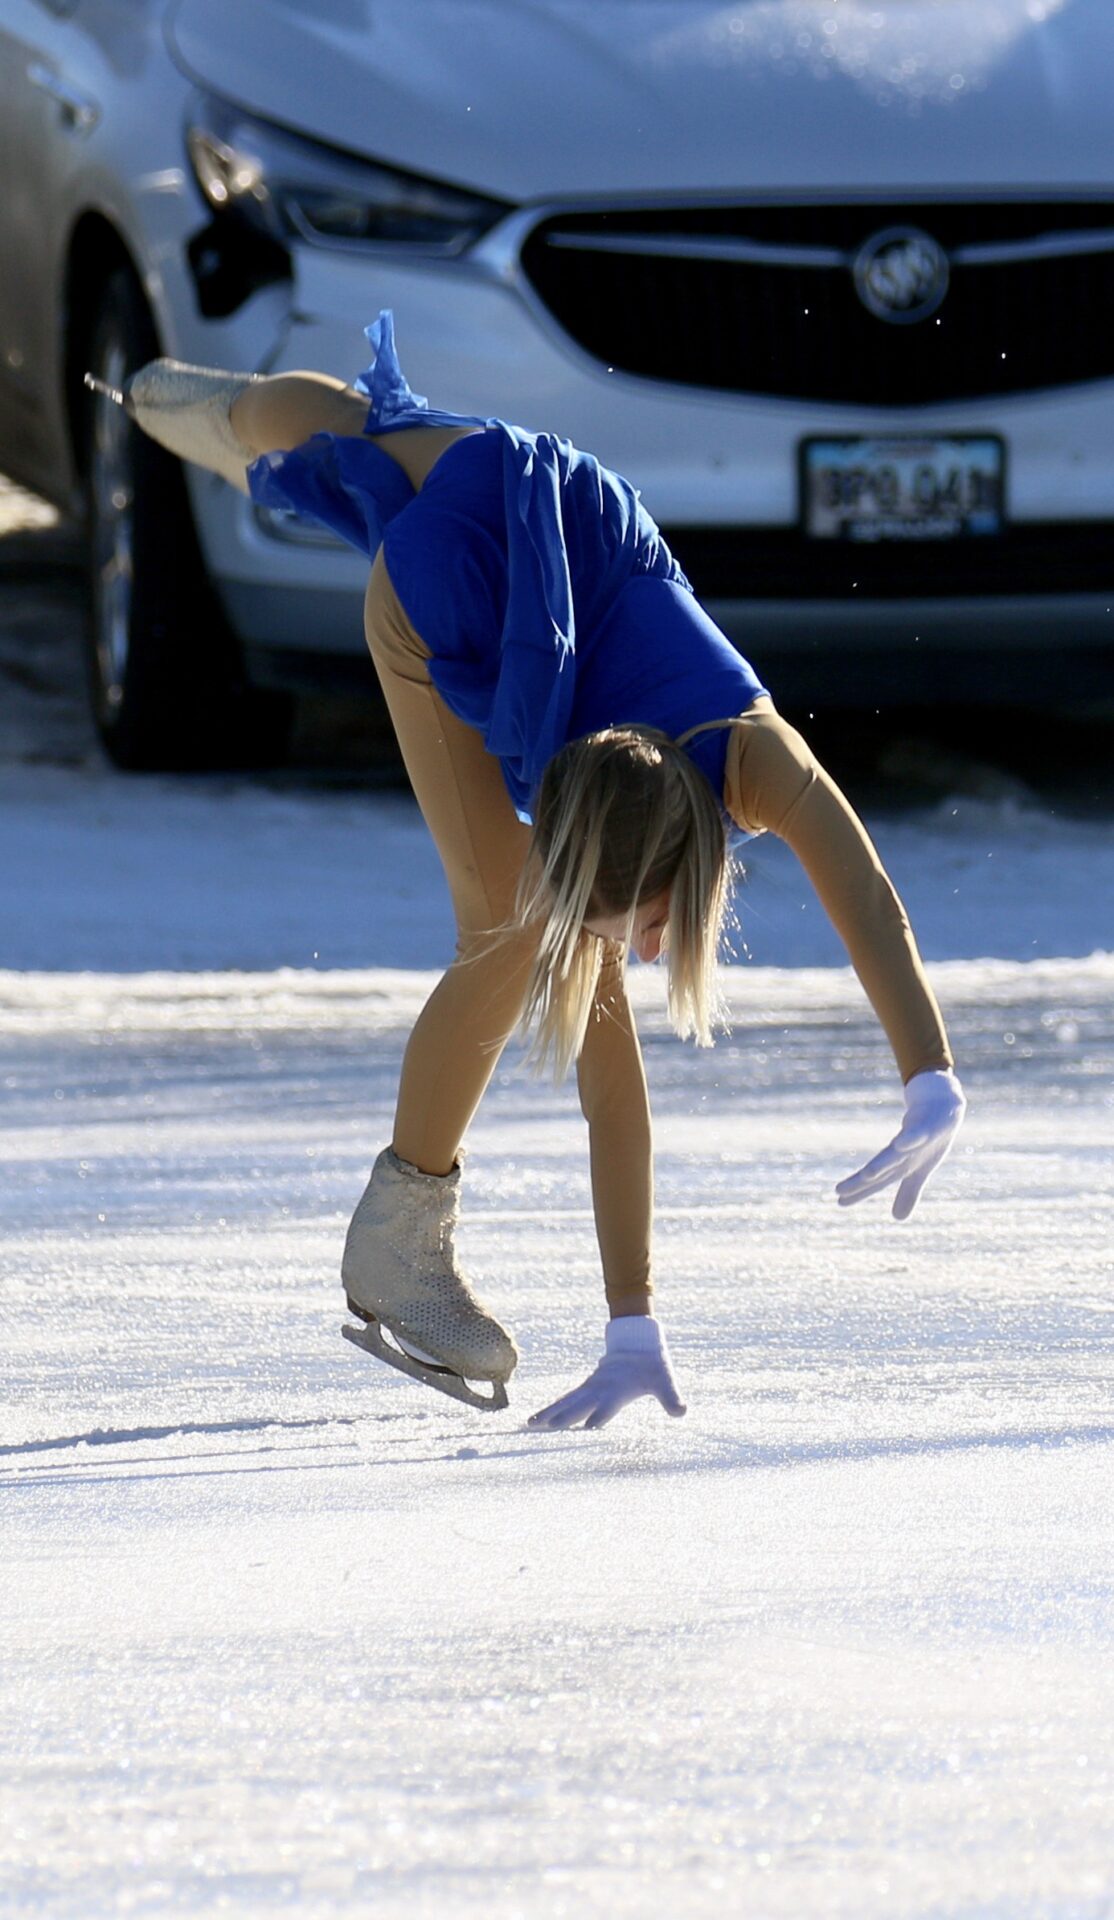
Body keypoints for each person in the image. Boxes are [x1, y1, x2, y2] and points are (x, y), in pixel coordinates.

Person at [94, 312, 966, 1426]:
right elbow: (613, 1079)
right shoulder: (585, 837)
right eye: (627, 929)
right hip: (456, 574)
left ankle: (229, 417)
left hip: (559, 521)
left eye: (627, 928)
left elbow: (865, 893)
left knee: (365, 440)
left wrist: (927, 1074)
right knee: (506, 933)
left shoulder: (753, 757)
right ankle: (399, 1238)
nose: (633, 953)